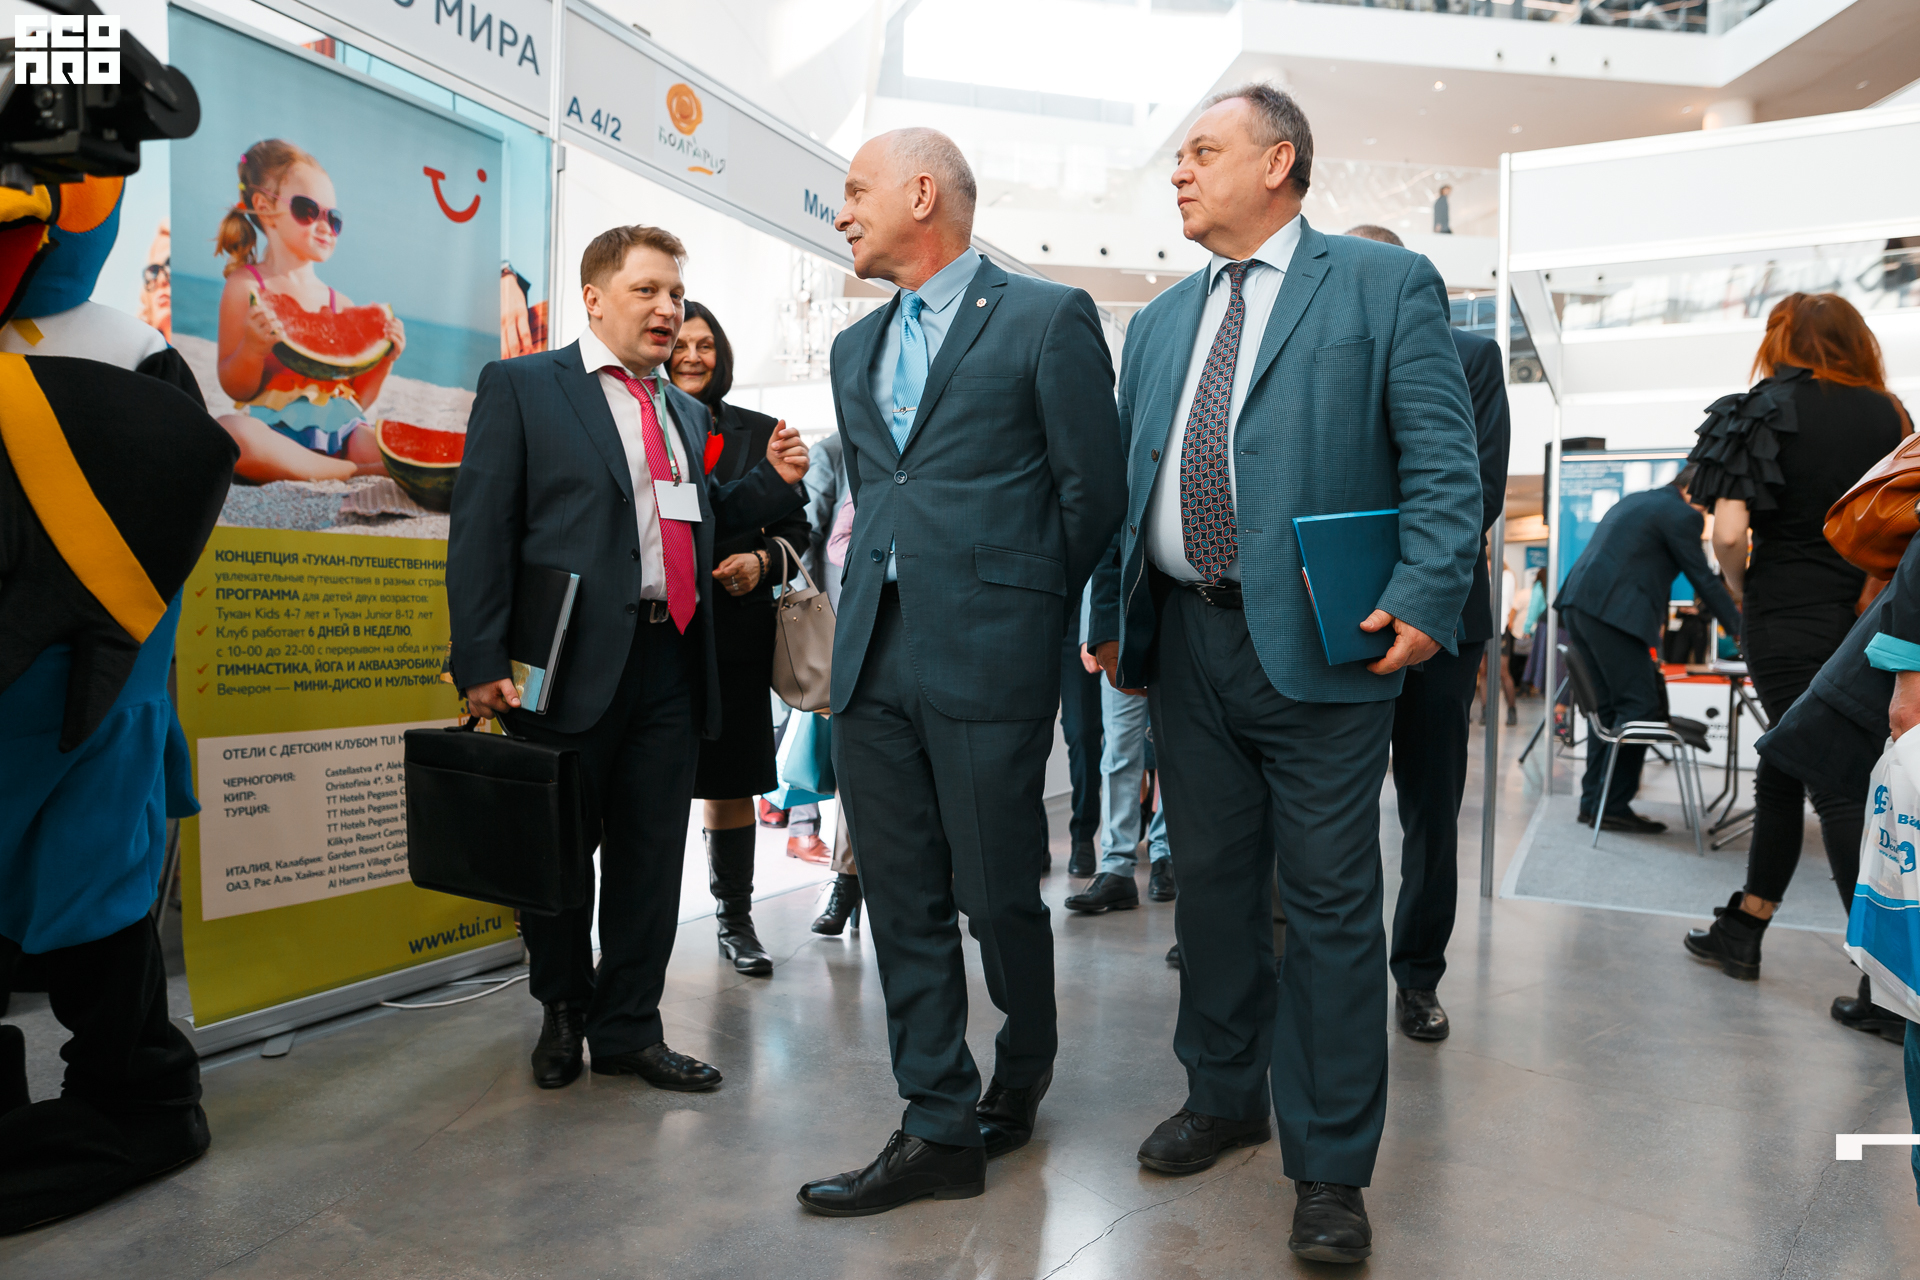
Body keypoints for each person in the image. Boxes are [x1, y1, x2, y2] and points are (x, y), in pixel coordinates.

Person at [1088, 85, 1483, 1265]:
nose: (1179, 171)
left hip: (1323, 637)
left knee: (1328, 907)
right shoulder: (1161, 321)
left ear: (1279, 161)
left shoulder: (1382, 286)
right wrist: (1113, 614)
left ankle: (1329, 1164)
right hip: (1186, 642)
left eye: (1202, 150)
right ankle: (1223, 1096)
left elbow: (1443, 462)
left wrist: (1425, 592)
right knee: (1211, 891)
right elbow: (1132, 482)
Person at [795, 128, 1124, 1217]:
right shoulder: (854, 346)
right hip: (871, 655)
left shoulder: (1045, 317)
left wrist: (1018, 603)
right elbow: (874, 494)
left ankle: (1022, 1068)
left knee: (995, 893)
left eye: (856, 191)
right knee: (901, 897)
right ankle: (936, 1119)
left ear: (922, 192)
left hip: (990, 651)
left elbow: (1092, 495)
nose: (842, 211)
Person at [448, 224, 810, 1094]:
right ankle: (562, 1010)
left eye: (675, 293)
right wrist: (479, 656)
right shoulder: (524, 386)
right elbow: (482, 528)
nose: (667, 309)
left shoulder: (682, 411)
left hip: (671, 661)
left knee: (650, 861)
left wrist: (770, 482)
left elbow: (697, 515)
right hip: (565, 664)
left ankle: (628, 1031)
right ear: (595, 298)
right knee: (559, 857)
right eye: (647, 290)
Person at [0, 174, 238, 1233]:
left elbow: (162, 550)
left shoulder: (124, 348)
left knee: (96, 906)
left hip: (85, 713)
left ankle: (141, 1099)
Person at [1681, 293, 1908, 983]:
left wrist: (1742, 589)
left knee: (1832, 779)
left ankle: (1883, 979)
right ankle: (1743, 929)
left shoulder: (1764, 407)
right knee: (1786, 756)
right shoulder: (1891, 414)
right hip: (1865, 614)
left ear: (1782, 341)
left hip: (1782, 612)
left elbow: (1727, 533)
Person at [1344, 222, 1511, 1043]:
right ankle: (1320, 960)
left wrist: (1409, 585)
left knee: (1431, 807)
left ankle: (1417, 975)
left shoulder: (1470, 355)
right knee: (1324, 801)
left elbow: (1474, 490)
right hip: (1339, 608)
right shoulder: (1319, 350)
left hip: (1442, 616)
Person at [668, 300, 813, 977]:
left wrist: (761, 562)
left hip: (735, 635)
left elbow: (797, 534)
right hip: (656, 635)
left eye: (705, 344)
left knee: (729, 782)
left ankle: (736, 919)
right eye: (681, 343)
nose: (692, 355)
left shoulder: (760, 432)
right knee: (646, 784)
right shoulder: (643, 426)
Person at [1555, 467, 1741, 832]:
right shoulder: (1681, 513)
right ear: (1697, 491)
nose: (1711, 511)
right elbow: (1702, 578)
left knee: (1608, 711)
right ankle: (1613, 806)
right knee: (1639, 708)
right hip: (1612, 613)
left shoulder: (1638, 501)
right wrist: (1740, 631)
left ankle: (1595, 804)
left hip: (1581, 605)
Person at [214, 139, 404, 483]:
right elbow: (235, 388)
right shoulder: (246, 286)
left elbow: (357, 402)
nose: (325, 226)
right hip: (276, 435)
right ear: (264, 207)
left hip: (344, 434)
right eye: (307, 210)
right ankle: (350, 473)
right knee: (230, 433)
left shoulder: (340, 304)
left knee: (393, 446)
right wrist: (252, 349)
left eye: (334, 218)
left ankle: (345, 466)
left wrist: (384, 362)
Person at [1071, 533, 1174, 914]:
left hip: (1178, 618)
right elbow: (1104, 544)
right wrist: (1093, 632)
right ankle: (1116, 867)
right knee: (1118, 752)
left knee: (1174, 748)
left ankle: (1165, 855)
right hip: (1120, 625)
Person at [1061, 617, 1105, 877]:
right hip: (1024, 618)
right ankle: (1036, 841)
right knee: (1021, 732)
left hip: (1076, 619)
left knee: (1082, 732)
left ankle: (1082, 837)